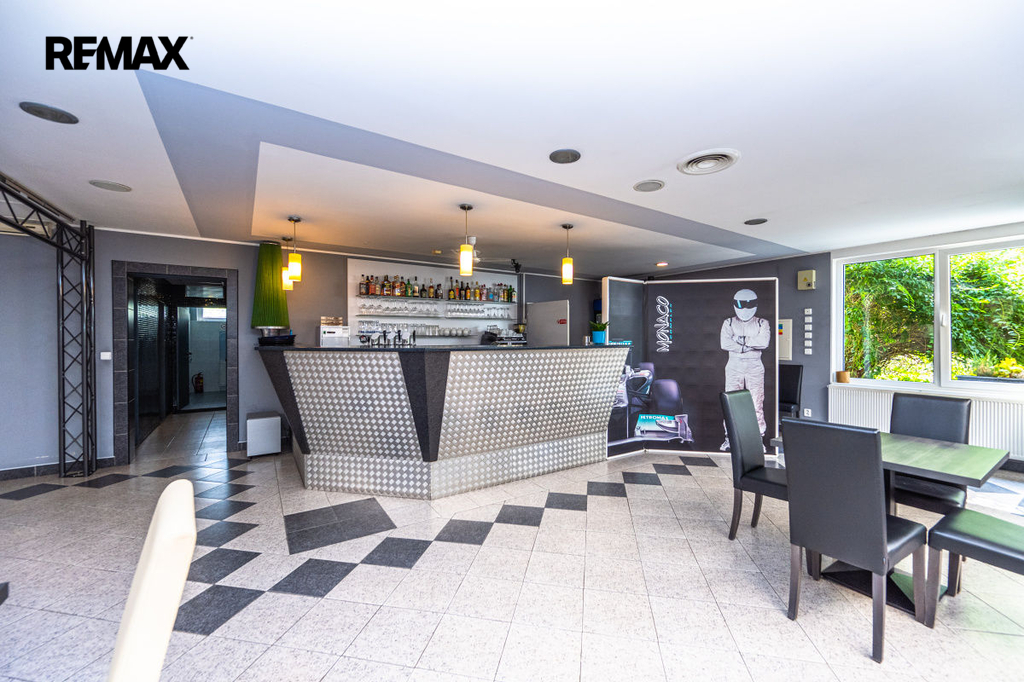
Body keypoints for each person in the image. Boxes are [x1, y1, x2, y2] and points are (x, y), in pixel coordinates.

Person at [720, 288, 771, 450]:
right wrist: (748, 345)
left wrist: (739, 340)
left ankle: (758, 440)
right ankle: (729, 438)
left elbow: (763, 342)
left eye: (749, 304)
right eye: (741, 304)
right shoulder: (728, 322)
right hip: (734, 366)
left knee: (756, 403)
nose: (745, 308)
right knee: (731, 401)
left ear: (755, 304)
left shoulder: (762, 323)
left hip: (754, 366)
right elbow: (725, 343)